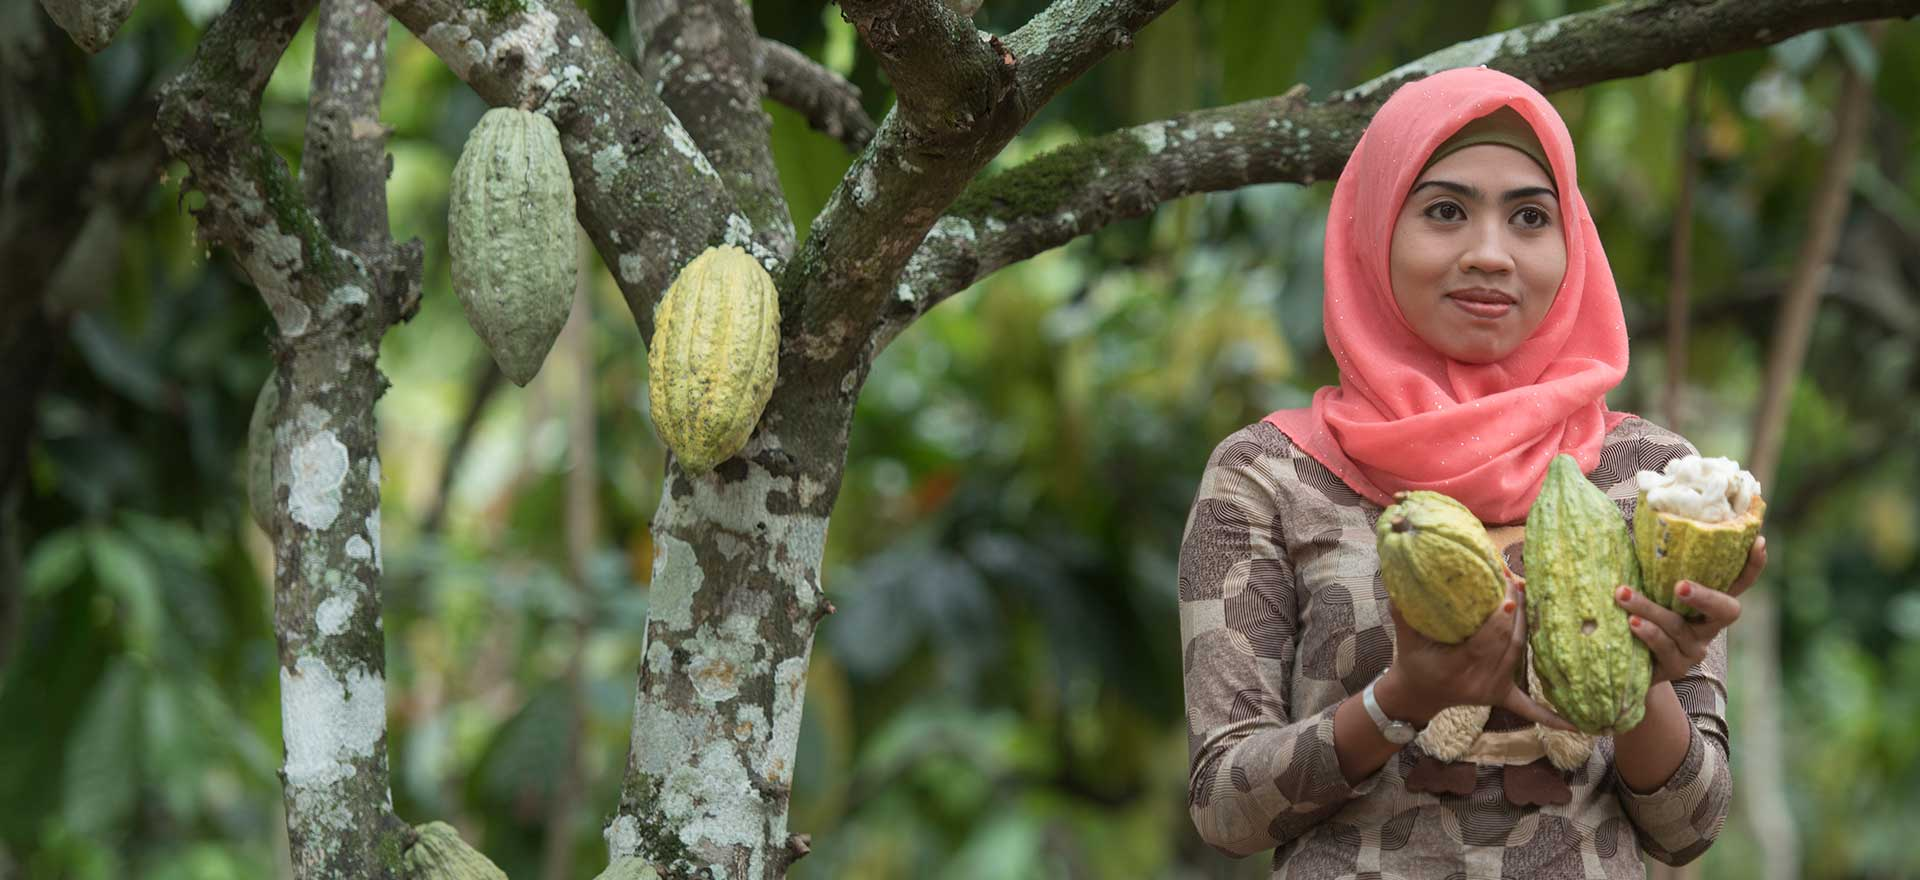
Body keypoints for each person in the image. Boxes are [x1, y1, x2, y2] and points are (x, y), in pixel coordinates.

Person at [1177, 66, 1768, 878]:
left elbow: (1689, 826)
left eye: (1530, 216)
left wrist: (1642, 687)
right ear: (1374, 228)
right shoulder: (1267, 476)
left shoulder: (1657, 481)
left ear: (1574, 242)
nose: (1490, 255)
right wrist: (1397, 702)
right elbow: (1224, 807)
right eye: (1445, 211)